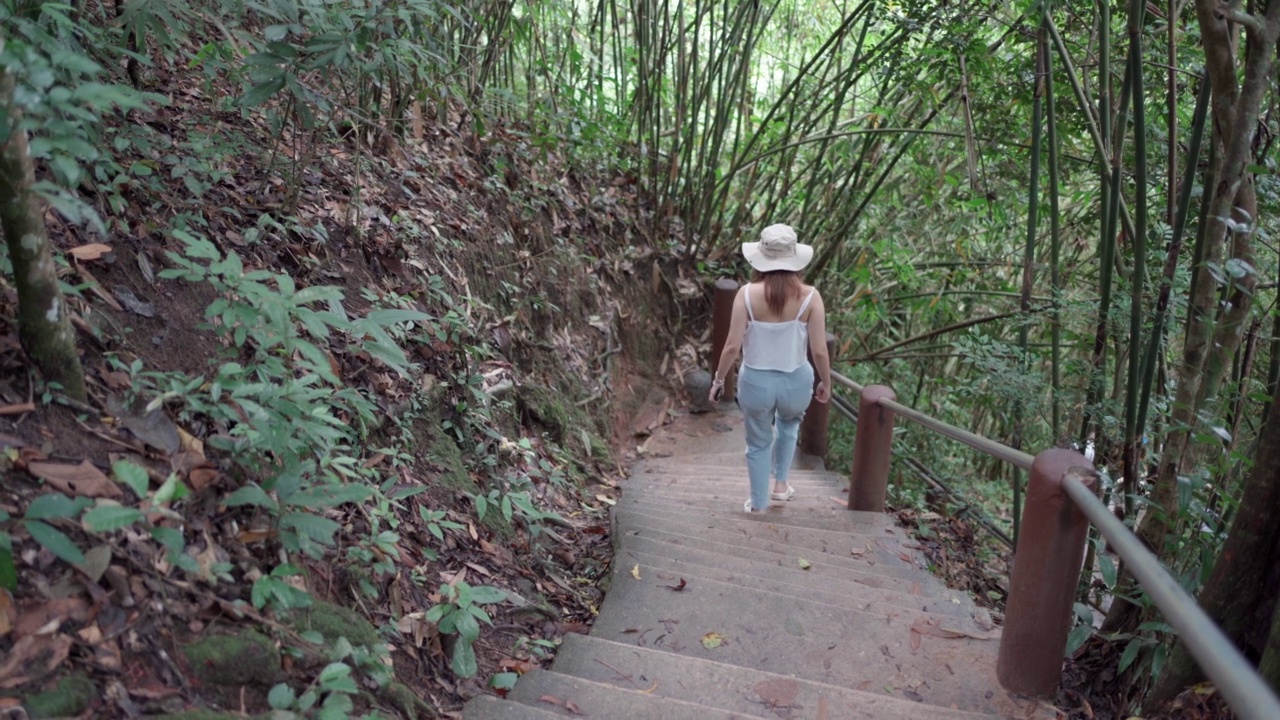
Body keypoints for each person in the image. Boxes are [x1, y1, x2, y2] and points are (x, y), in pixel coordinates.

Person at [709, 223, 831, 513]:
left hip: (756, 383)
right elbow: (819, 350)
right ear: (794, 259)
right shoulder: (811, 297)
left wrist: (718, 380)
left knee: (758, 442)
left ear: (761, 257)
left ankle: (759, 502)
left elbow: (730, 346)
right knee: (789, 427)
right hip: (796, 381)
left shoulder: (746, 295)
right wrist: (826, 382)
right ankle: (781, 486)